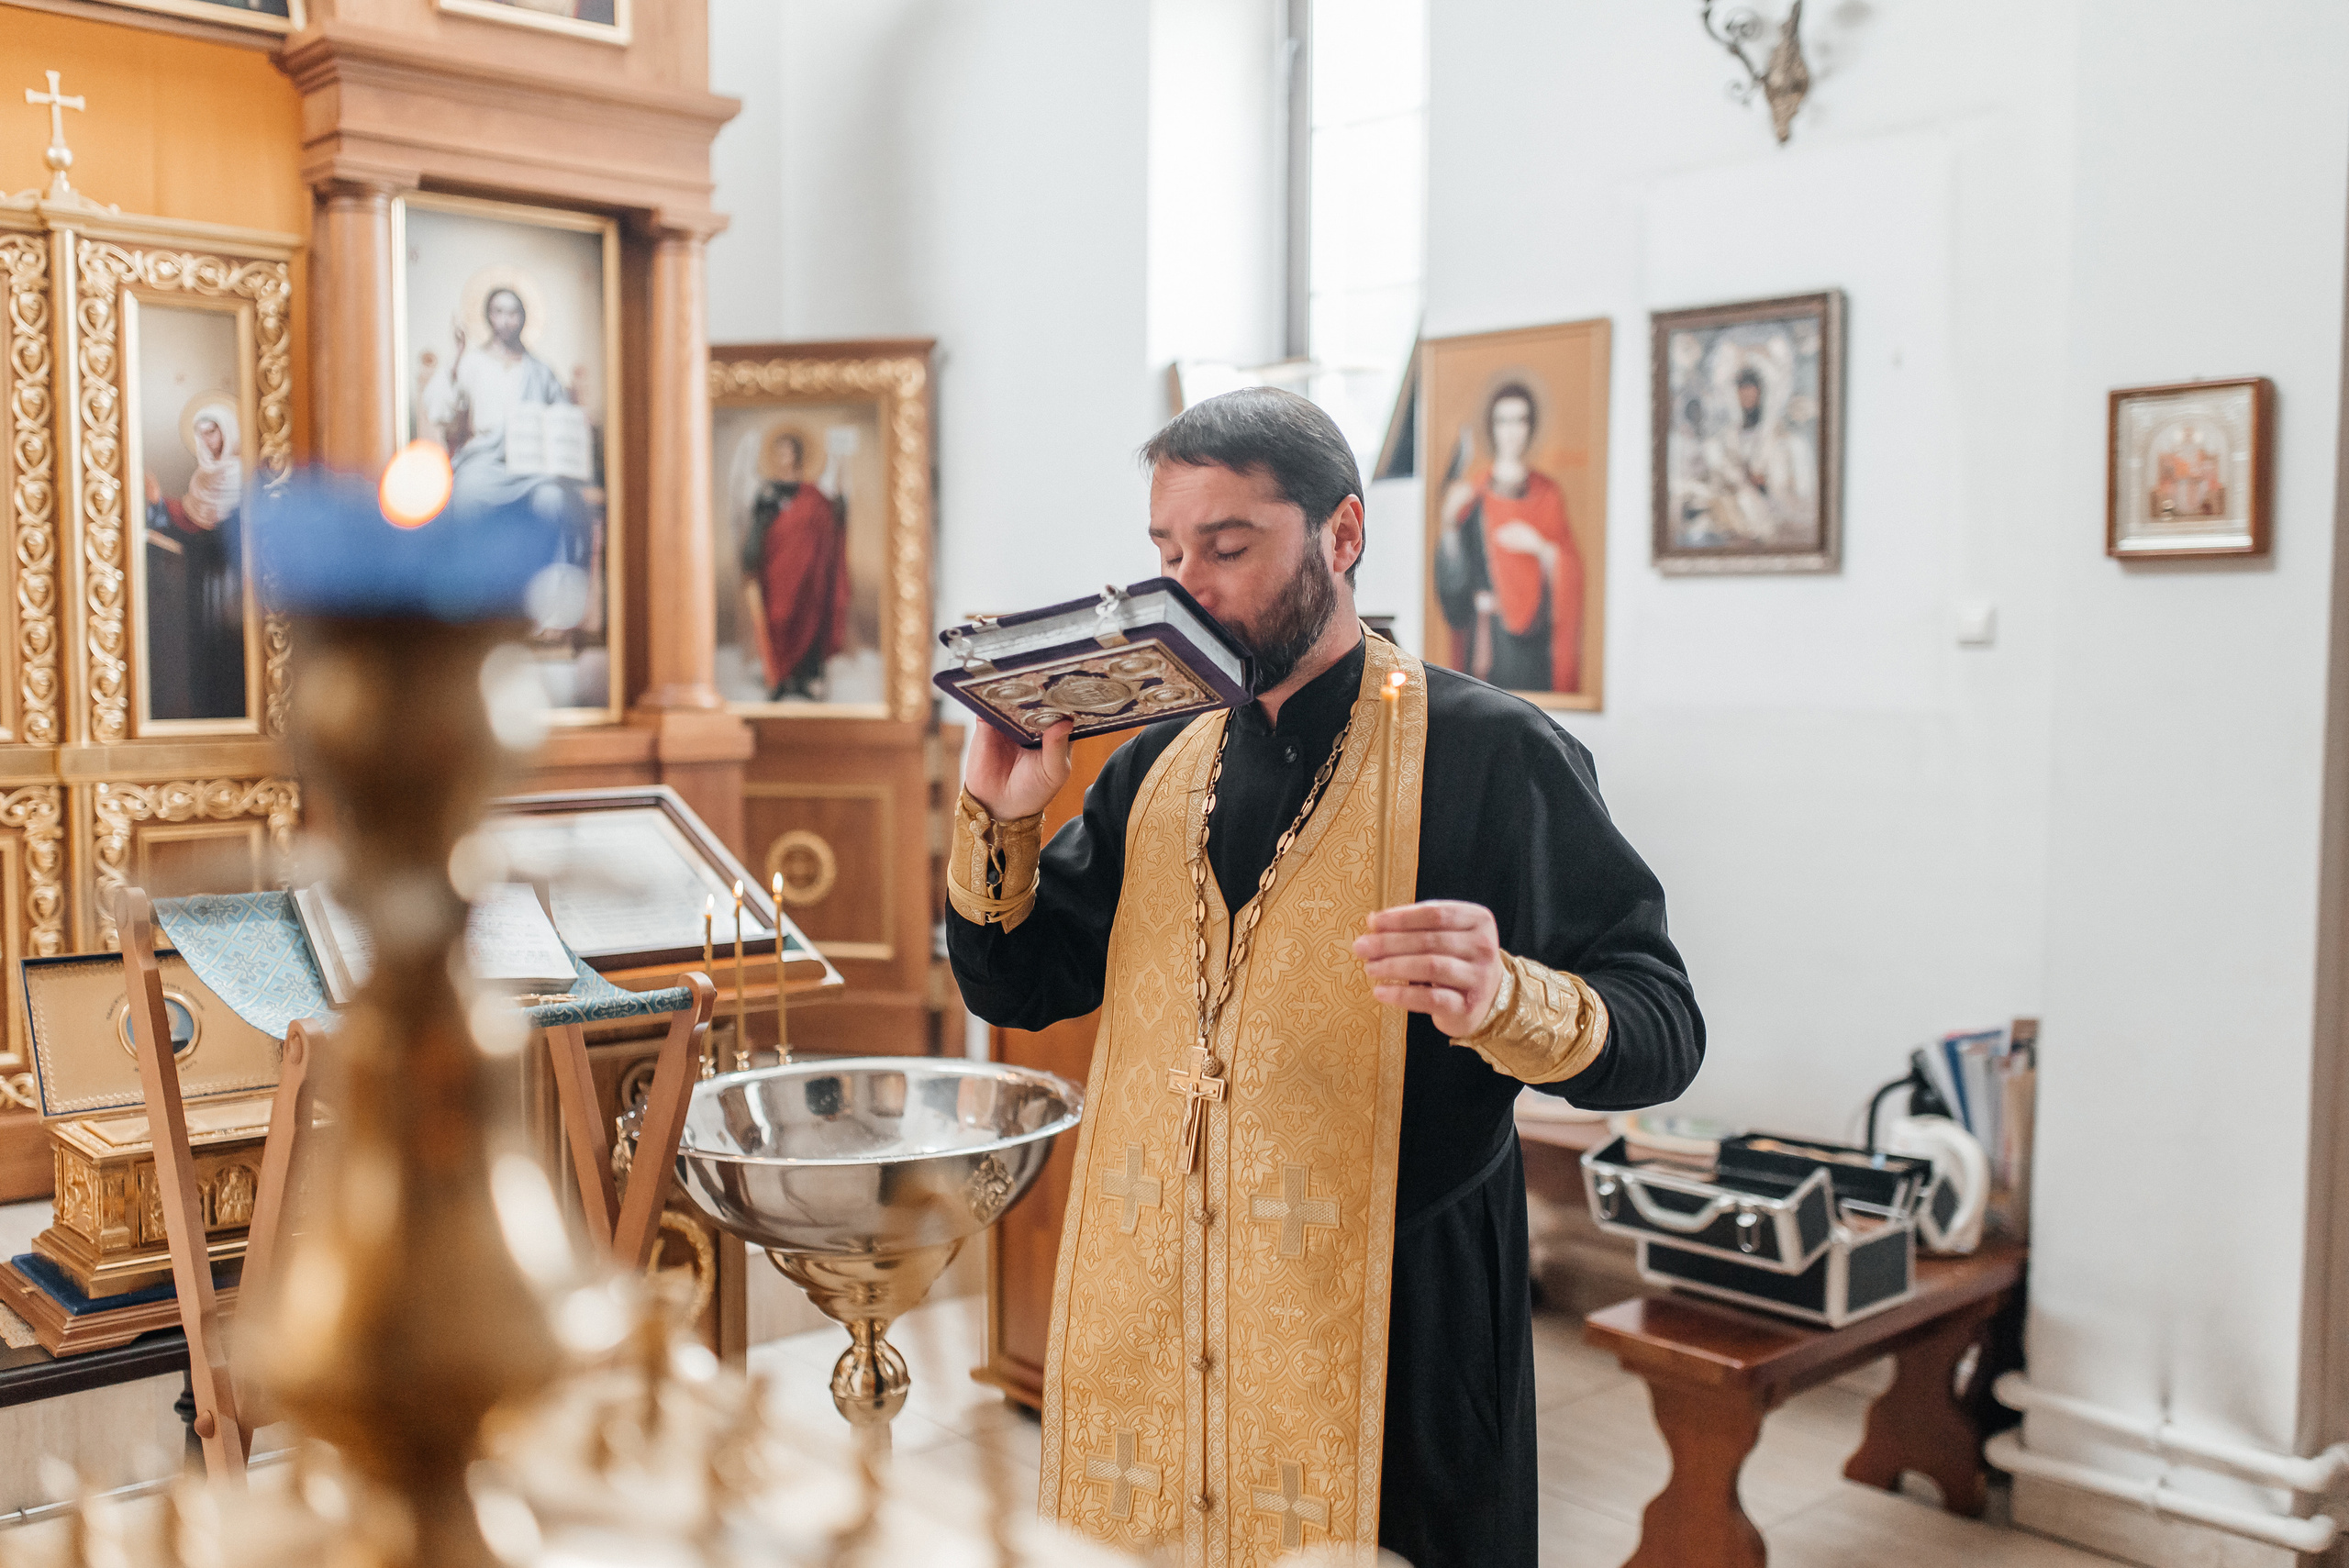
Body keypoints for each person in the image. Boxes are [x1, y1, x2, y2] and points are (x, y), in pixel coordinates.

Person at [946, 388, 1703, 1566]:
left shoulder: (1490, 750)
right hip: (1157, 1329)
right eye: (1166, 552)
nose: (1187, 585)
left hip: (1397, 1336)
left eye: (1228, 547)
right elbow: (1017, 983)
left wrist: (1506, 994)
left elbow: (1663, 1025)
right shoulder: (1154, 756)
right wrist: (1001, 819)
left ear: (1341, 535)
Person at [1432, 382, 1583, 693]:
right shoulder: (1473, 496)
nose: (1512, 431)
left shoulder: (1547, 494)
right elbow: (1454, 587)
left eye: (1520, 420)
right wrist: (1448, 524)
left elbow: (1572, 570)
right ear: (1492, 428)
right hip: (1485, 642)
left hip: (1531, 647)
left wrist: (1542, 549)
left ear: (1531, 427)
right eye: (1503, 421)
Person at [416, 284, 588, 552]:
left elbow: (563, 420)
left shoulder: (539, 370)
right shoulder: (472, 362)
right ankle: (469, 585)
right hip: (485, 462)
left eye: (513, 313)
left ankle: (554, 586)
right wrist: (457, 356)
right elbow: (438, 410)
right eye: (498, 312)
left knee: (553, 498)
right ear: (488, 316)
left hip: (532, 468)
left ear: (523, 318)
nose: (506, 321)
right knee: (466, 493)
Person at [143, 400, 247, 720]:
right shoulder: (202, 479)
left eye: (212, 432)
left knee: (232, 649)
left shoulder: (241, 475)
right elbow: (186, 524)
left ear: (227, 432)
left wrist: (220, 530)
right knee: (199, 651)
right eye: (200, 434)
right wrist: (156, 502)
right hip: (199, 580)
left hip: (232, 581)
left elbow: (238, 532)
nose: (206, 440)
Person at [737, 425, 852, 700]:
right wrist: (750, 560)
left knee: (806, 618)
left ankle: (802, 678)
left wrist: (841, 493)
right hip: (775, 572)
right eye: (778, 452)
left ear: (797, 455)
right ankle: (779, 677)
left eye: (787, 452)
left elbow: (832, 516)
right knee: (777, 617)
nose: (781, 457)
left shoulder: (812, 494)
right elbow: (757, 530)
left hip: (807, 573)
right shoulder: (766, 493)